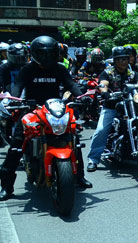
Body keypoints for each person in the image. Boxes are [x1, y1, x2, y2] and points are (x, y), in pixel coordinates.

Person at [0, 36, 89, 201]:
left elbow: (71, 84)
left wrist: (82, 96)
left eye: (50, 54)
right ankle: (6, 186)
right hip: (32, 109)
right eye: (43, 54)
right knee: (17, 144)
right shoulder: (27, 69)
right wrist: (12, 99)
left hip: (56, 109)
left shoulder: (59, 68)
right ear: (34, 53)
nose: (47, 57)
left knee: (73, 137)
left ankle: (79, 176)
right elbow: (17, 86)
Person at [86, 47, 138, 172]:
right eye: (120, 59)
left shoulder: (131, 73)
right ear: (115, 60)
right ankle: (93, 159)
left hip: (131, 106)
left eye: (126, 59)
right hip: (112, 106)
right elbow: (104, 83)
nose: (123, 61)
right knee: (101, 130)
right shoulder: (108, 72)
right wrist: (104, 92)